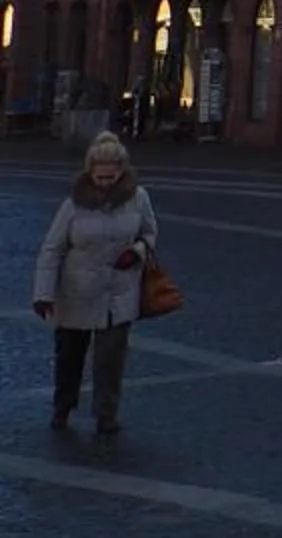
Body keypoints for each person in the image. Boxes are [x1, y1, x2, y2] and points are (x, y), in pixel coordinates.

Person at [31, 131, 158, 438]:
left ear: (121, 171)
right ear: (90, 172)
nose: (105, 183)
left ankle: (106, 415)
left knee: (111, 360)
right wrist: (43, 294)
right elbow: (53, 249)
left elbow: (150, 233)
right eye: (100, 177)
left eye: (111, 177)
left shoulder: (138, 198)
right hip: (76, 291)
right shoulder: (73, 203)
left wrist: (138, 251)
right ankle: (62, 407)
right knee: (69, 357)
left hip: (119, 292)